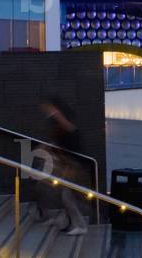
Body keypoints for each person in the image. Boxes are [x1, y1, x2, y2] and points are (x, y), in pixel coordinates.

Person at [40, 96, 89, 236]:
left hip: (73, 165)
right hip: (68, 164)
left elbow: (68, 130)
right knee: (57, 191)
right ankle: (68, 221)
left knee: (67, 195)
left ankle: (79, 224)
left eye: (52, 110)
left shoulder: (68, 126)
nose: (50, 112)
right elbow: (55, 143)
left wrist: (56, 113)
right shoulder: (59, 129)